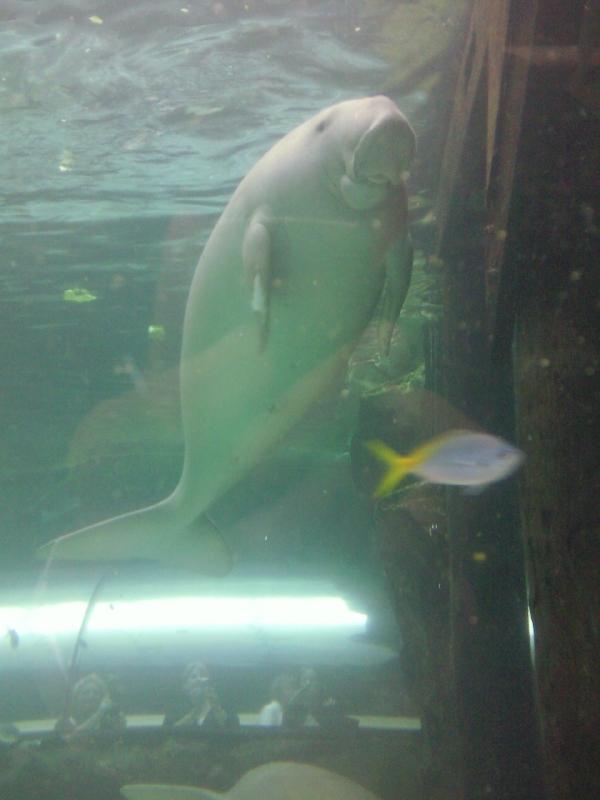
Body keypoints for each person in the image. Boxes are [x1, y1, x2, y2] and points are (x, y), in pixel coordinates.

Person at [162, 662, 239, 731]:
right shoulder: (175, 709)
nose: (199, 680)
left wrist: (217, 709)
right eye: (193, 676)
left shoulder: (224, 705)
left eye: (203, 676)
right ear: (184, 685)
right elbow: (167, 733)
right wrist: (195, 712)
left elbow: (235, 732)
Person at [55, 672, 126, 737]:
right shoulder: (66, 718)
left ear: (102, 698)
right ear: (76, 697)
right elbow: (71, 738)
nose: (91, 696)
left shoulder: (108, 719)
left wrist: (119, 720)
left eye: (95, 693)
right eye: (86, 692)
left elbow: (119, 737)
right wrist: (99, 713)